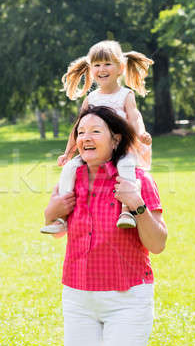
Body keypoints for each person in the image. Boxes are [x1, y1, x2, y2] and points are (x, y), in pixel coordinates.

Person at [43, 106, 167, 346]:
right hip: (78, 299)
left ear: (116, 139)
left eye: (96, 131)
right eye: (81, 132)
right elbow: (58, 229)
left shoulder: (137, 180)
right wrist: (50, 213)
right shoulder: (70, 179)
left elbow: (157, 244)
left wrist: (137, 205)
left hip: (127, 301)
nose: (86, 137)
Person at [41, 40, 154, 235]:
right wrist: (68, 153)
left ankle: (126, 211)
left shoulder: (126, 95)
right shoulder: (91, 99)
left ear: (120, 68)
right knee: (69, 169)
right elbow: (78, 129)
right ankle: (62, 217)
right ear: (91, 69)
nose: (102, 69)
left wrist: (141, 133)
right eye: (97, 65)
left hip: (120, 147)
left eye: (107, 64)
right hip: (93, 148)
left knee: (126, 166)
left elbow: (135, 117)